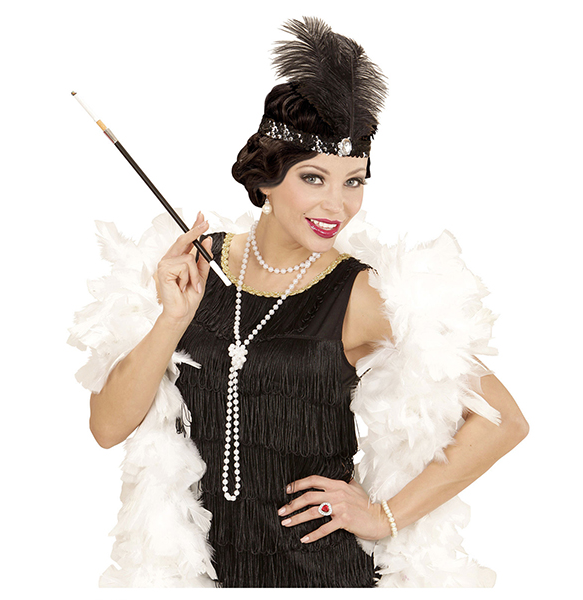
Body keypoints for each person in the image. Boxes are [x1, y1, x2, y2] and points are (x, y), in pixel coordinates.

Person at [70, 17, 528, 588]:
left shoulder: (362, 294)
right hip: (194, 575)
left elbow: (504, 421)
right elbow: (107, 427)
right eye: (314, 178)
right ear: (266, 177)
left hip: (318, 575)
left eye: (353, 181)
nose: (337, 205)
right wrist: (173, 319)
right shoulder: (193, 267)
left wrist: (383, 517)